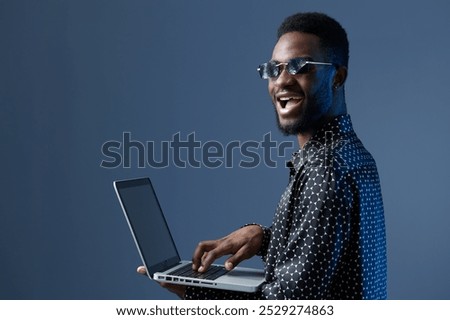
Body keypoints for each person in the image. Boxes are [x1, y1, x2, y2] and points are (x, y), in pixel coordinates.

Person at [138, 12, 387, 299]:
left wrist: (194, 291)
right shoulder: (352, 154)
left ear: (337, 77)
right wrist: (264, 238)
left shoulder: (325, 169)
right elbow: (327, 257)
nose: (282, 81)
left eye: (299, 67)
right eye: (274, 69)